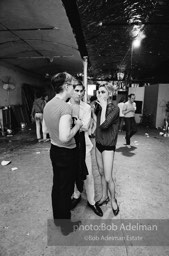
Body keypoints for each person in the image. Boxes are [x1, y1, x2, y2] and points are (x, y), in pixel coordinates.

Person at [43, 72, 82, 235]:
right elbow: (65, 137)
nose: (74, 88)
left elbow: (45, 130)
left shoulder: (48, 104)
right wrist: (77, 125)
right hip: (66, 153)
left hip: (54, 150)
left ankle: (58, 219)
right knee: (65, 190)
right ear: (65, 87)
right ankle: (65, 226)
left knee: (57, 187)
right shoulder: (65, 107)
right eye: (73, 86)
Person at [69, 83, 103, 217]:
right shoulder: (65, 105)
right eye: (76, 90)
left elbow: (86, 126)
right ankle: (76, 195)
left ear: (84, 93)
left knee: (88, 174)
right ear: (71, 91)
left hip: (84, 145)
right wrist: (78, 122)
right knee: (72, 174)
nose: (79, 93)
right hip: (69, 145)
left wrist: (73, 123)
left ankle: (91, 201)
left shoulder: (87, 107)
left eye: (81, 91)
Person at [94, 83, 120, 216]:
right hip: (98, 143)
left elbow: (104, 125)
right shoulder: (98, 106)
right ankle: (104, 196)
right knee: (101, 172)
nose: (99, 94)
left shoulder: (115, 108)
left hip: (108, 145)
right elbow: (96, 123)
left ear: (109, 94)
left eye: (103, 92)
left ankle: (113, 200)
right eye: (98, 92)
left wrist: (103, 106)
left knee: (108, 177)